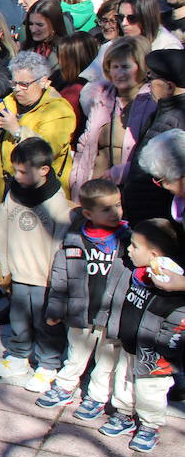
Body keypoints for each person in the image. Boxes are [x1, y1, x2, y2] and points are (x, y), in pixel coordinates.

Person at [36, 178, 132, 418]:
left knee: (106, 359)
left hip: (113, 313)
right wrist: (55, 309)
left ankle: (97, 397)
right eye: (107, 209)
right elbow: (61, 276)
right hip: (81, 310)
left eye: (118, 205)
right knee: (76, 351)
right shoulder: (75, 239)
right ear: (88, 213)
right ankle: (66, 385)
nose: (115, 212)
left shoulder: (128, 240)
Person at [0, 136, 73, 389]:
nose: (17, 176)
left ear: (44, 170)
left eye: (23, 171)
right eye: (15, 170)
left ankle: (47, 364)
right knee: (19, 317)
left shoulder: (55, 201)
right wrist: (0, 263)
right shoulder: (15, 192)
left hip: (44, 276)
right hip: (20, 273)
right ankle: (18, 356)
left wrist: (57, 277)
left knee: (46, 323)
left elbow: (61, 241)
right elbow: (0, 225)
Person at [97, 218, 185, 453]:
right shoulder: (135, 272)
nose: (128, 249)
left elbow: (176, 323)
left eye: (135, 246)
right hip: (130, 341)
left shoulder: (171, 287)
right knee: (123, 379)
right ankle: (124, 413)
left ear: (154, 254)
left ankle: (149, 426)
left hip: (154, 352)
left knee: (150, 390)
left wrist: (163, 350)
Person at [0, 52, 75, 216]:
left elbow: (48, 150)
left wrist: (17, 130)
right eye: (14, 83)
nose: (17, 90)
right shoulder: (8, 102)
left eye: (24, 84)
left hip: (38, 204)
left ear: (43, 81)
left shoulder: (59, 111)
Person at [70, 36, 153, 200]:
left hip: (129, 196)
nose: (119, 73)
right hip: (93, 194)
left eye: (125, 67)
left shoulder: (152, 101)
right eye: (114, 66)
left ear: (142, 67)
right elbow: (85, 145)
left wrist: (123, 172)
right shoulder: (102, 96)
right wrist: (76, 187)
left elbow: (152, 158)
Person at [120, 49, 185, 223]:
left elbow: (147, 183)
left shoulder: (171, 121)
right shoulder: (164, 112)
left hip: (151, 219)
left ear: (170, 87)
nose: (148, 86)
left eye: (151, 79)